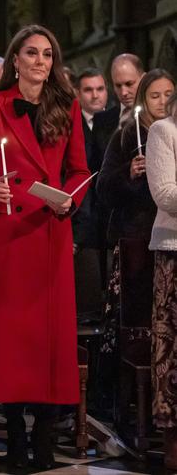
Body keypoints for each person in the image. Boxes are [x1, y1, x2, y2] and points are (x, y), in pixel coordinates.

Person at [0, 24, 91, 470]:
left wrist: (71, 198)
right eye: (32, 53)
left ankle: (45, 438)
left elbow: (78, 170)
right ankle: (14, 436)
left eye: (48, 55)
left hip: (51, 232)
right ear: (15, 59)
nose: (40, 61)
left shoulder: (67, 106)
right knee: (10, 339)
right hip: (9, 234)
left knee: (48, 339)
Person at [95, 69, 174, 403]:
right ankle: (122, 398)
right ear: (144, 98)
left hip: (166, 234)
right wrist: (129, 173)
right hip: (135, 236)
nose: (161, 102)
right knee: (133, 323)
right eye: (154, 95)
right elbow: (104, 190)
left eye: (168, 94)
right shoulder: (129, 134)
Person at [145, 92, 177, 471]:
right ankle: (173, 438)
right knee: (172, 353)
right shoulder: (163, 131)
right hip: (174, 250)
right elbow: (166, 194)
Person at [72, 68, 111, 321]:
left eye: (100, 89)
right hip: (83, 224)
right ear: (78, 93)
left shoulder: (116, 122)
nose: (95, 96)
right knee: (88, 303)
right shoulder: (72, 123)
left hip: (110, 220)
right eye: (88, 90)